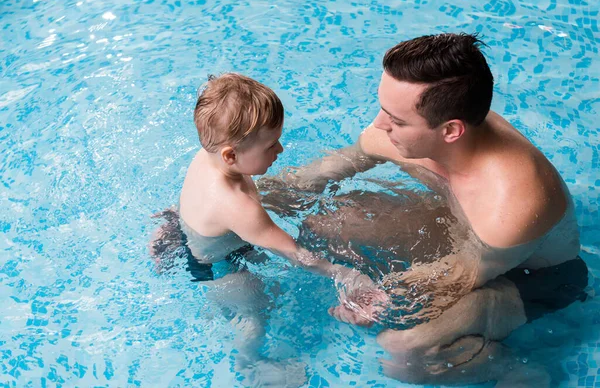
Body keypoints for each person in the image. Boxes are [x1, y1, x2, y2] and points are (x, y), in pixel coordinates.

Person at [259, 33, 587, 386]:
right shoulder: (413, 124)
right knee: (328, 222)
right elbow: (314, 177)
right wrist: (233, 203)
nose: (380, 125)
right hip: (464, 231)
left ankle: (509, 369)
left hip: (533, 279)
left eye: (397, 121)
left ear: (451, 131)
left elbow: (447, 282)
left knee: (401, 351)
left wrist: (371, 295)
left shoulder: (512, 205)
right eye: (383, 108)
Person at [149, 73, 386, 386]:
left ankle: (173, 232)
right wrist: (347, 275)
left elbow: (197, 199)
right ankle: (250, 365)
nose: (282, 150)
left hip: (195, 233)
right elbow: (296, 255)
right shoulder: (237, 207)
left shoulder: (208, 155)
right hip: (219, 268)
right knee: (255, 315)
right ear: (231, 155)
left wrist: (176, 221)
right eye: (271, 145)